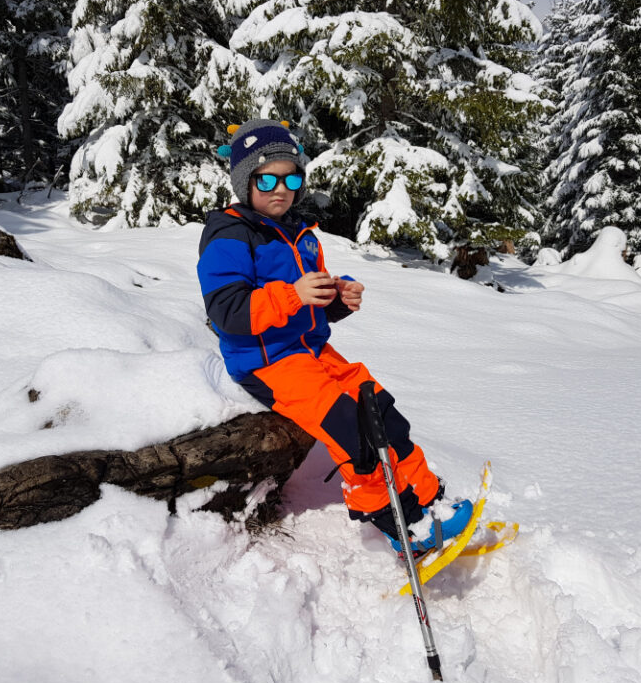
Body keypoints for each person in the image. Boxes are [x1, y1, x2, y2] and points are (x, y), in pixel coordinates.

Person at [197, 119, 471, 554]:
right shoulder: (228, 235)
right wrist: (293, 295)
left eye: (291, 177)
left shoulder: (300, 233)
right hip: (267, 362)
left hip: (313, 350)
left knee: (380, 409)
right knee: (350, 430)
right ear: (243, 181)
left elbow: (310, 302)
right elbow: (227, 312)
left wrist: (338, 296)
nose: (280, 188)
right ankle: (396, 524)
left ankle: (426, 498)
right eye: (266, 178)